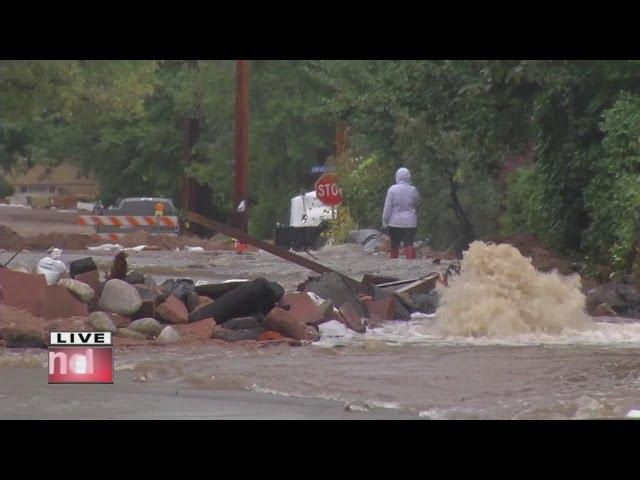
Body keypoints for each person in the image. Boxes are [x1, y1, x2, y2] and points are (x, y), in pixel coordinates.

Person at [382, 167, 421, 259]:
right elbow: (418, 202)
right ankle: (410, 261)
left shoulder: (392, 190)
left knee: (394, 244)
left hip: (395, 222)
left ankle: (394, 261)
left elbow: (388, 207)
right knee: (409, 243)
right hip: (410, 222)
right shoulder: (413, 189)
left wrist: (385, 220)